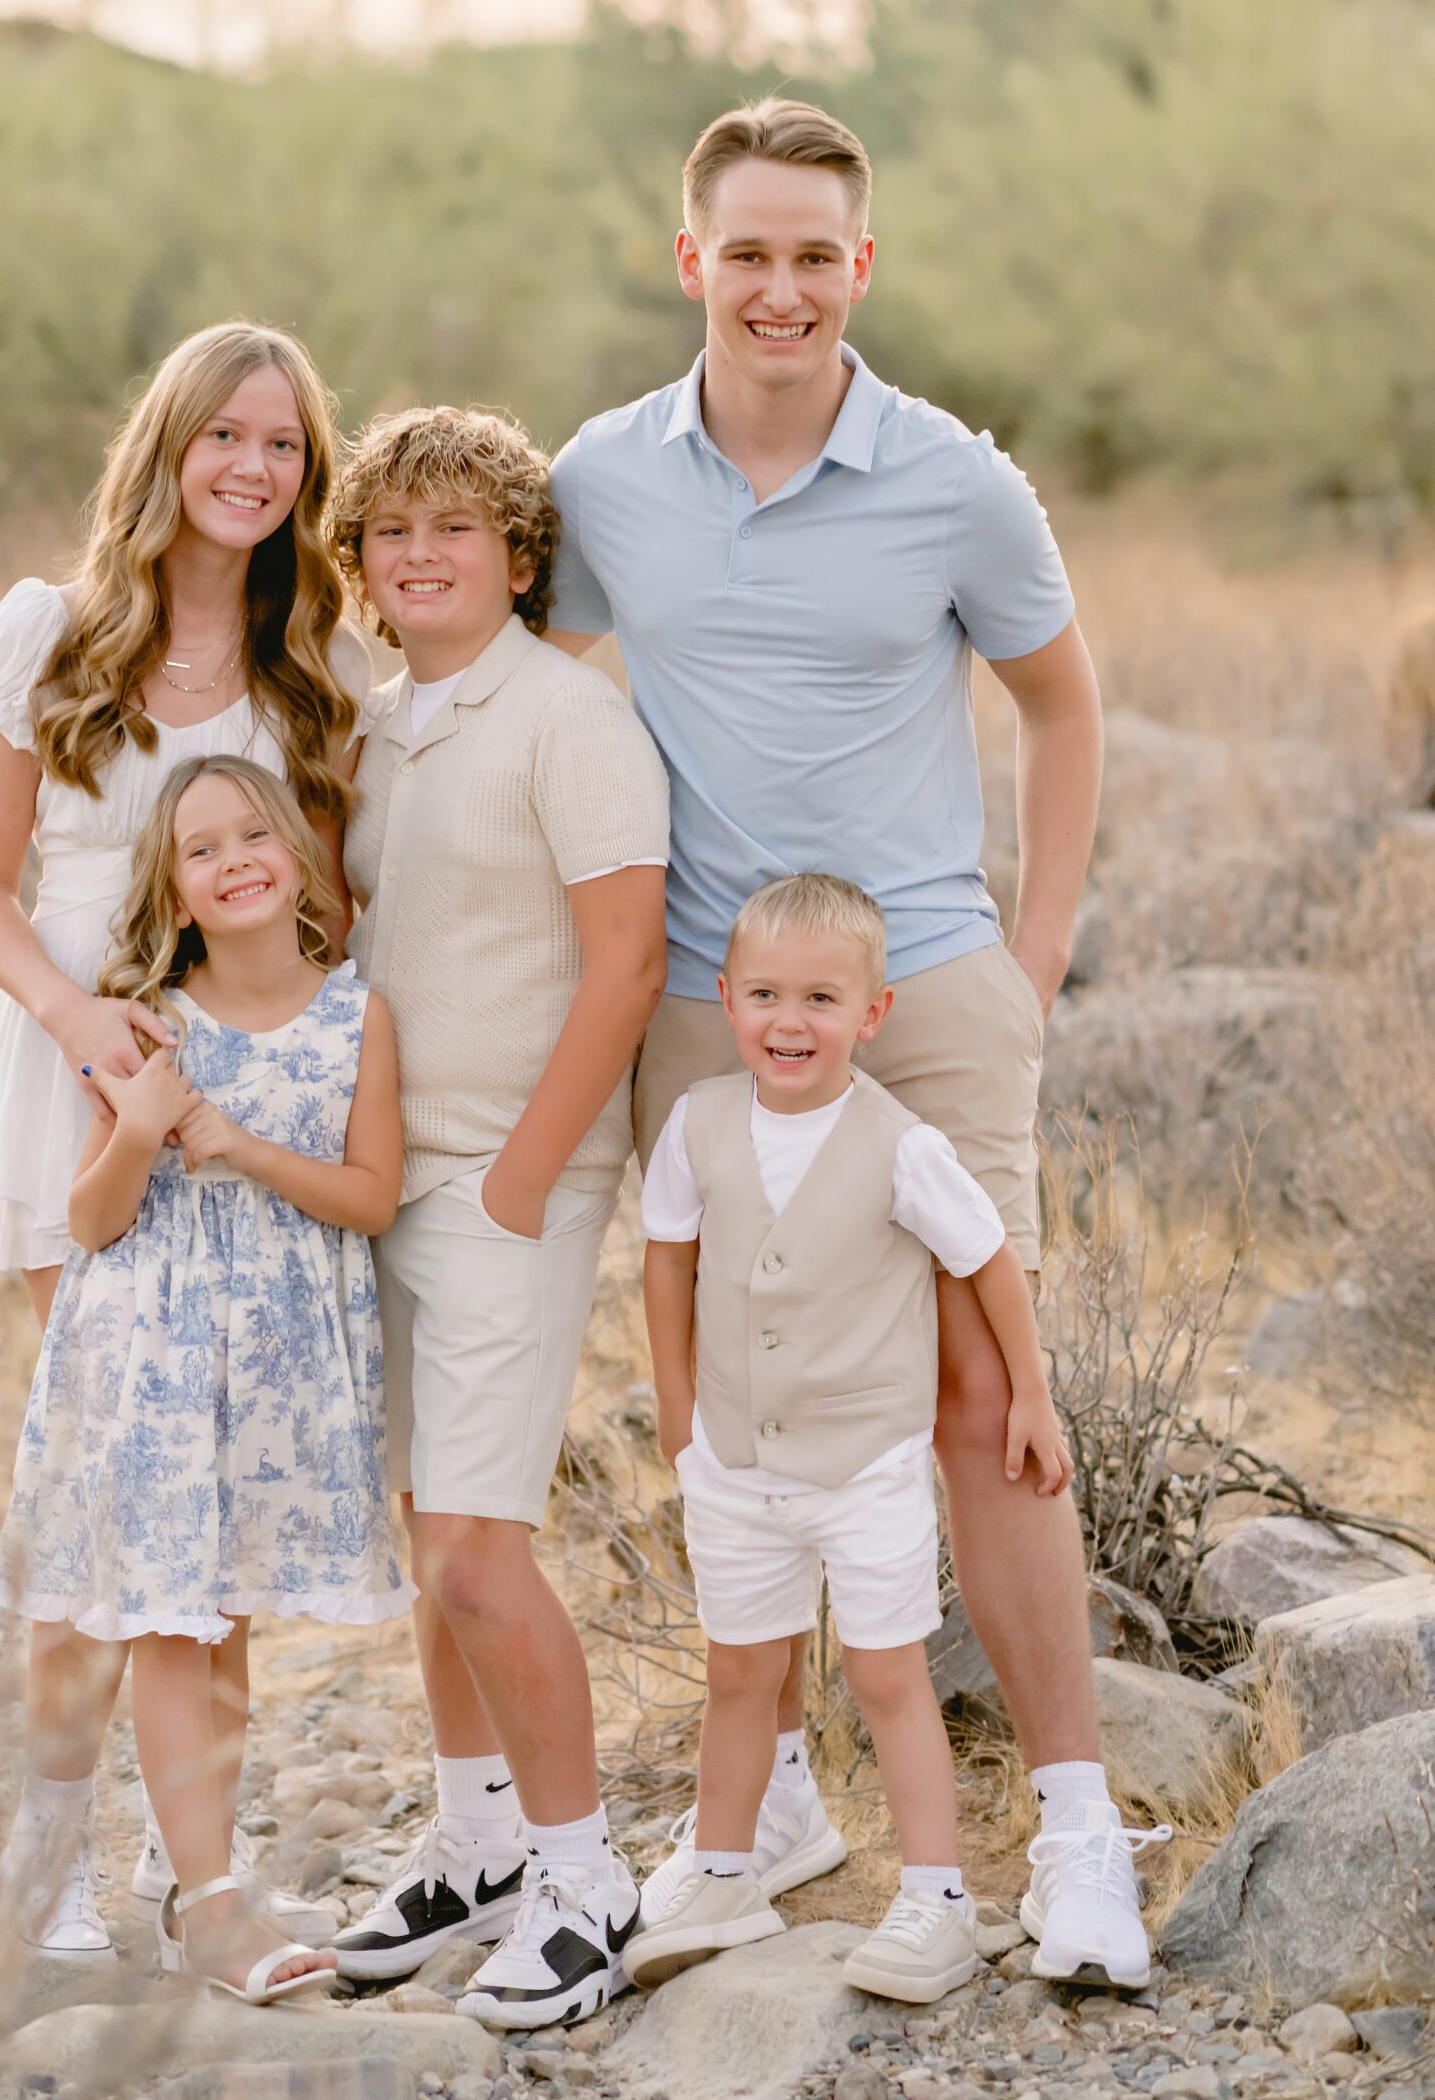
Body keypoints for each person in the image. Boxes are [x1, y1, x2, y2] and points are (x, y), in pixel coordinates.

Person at [547, 102, 1159, 1987]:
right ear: (690, 265)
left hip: (930, 1002)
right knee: (744, 1418)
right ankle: (771, 1815)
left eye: (817, 254)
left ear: (862, 271)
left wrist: (1030, 954)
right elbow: (536, 699)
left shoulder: (956, 481)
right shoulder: (602, 479)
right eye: (749, 251)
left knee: (979, 1409)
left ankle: (1073, 1836)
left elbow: (1062, 710)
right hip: (704, 1017)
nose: (782, 286)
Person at [0, 320, 372, 1950]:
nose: (254, 469)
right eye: (227, 437)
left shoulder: (304, 679)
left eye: (284, 446)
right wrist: (77, 1025)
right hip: (68, 1097)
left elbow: (324, 912)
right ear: (168, 447)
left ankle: (191, 1859)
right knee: (103, 1486)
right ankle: (44, 1861)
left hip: (227, 1126)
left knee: (220, 1517)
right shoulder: (47, 634)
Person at [327, 406, 670, 2028]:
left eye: (454, 528)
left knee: (478, 1546)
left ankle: (584, 1871)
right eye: (391, 531)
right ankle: (471, 1840)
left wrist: (532, 1173)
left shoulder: (567, 720)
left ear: (518, 556)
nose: (420, 554)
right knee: (422, 1523)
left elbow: (625, 963)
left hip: (507, 1178)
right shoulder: (378, 725)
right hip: (385, 1174)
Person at [0, 753, 408, 2000]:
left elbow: (371, 1196)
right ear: (173, 894)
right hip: (149, 1352)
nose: (232, 862)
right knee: (171, 1620)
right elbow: (94, 1221)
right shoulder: (144, 1016)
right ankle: (215, 1910)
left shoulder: (357, 1016)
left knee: (221, 1627)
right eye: (199, 851)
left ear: (296, 854)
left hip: (274, 1363)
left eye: (249, 836)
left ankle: (195, 1881)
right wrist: (135, 1124)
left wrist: (238, 1144)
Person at [626, 874, 1090, 2000]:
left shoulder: (899, 1143)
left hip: (865, 1465)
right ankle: (726, 1873)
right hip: (734, 1464)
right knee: (742, 1668)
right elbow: (666, 1262)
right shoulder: (697, 1122)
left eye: (822, 999)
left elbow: (984, 1260)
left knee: (885, 1675)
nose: (791, 1022)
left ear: (870, 1014)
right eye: (767, 995)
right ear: (726, 996)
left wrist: (1026, 1392)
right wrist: (678, 1407)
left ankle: (932, 1895)